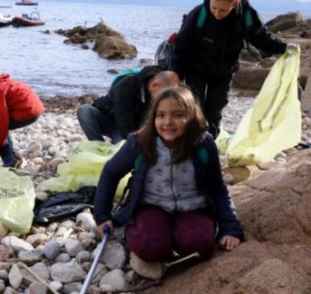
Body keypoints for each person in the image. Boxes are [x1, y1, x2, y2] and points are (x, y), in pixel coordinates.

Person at [93, 85, 244, 279]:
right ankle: (147, 232)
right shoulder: (139, 142)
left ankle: (179, 235)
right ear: (153, 117)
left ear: (190, 116)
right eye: (161, 115)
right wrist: (102, 215)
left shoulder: (203, 144)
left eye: (177, 115)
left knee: (200, 245)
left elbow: (218, 189)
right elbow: (110, 173)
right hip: (152, 206)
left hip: (193, 208)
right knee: (149, 246)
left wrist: (230, 227)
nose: (168, 122)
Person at [170, 0, 291, 138]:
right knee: (195, 107)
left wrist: (284, 49)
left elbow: (260, 37)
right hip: (196, 67)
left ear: (234, 3)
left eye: (223, 10)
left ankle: (210, 140)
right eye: (214, 8)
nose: (217, 14)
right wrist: (175, 74)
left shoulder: (245, 16)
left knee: (215, 108)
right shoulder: (198, 15)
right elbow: (181, 47)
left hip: (224, 70)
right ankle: (193, 141)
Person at [77, 65, 180, 144]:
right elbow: (123, 119)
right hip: (115, 122)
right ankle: (98, 146)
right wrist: (128, 143)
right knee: (84, 111)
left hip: (137, 129)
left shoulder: (161, 92)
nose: (164, 99)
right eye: (162, 94)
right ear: (154, 86)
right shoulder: (126, 86)